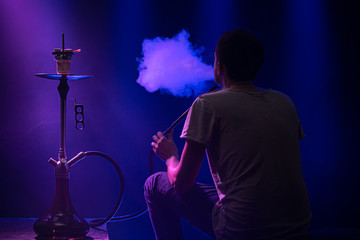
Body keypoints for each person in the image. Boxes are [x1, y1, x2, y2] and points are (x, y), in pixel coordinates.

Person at [144, 29, 311, 240]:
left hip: (243, 229)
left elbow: (181, 184)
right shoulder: (285, 102)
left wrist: (170, 157)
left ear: (219, 67)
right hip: (296, 226)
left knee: (154, 184)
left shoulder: (207, 104)